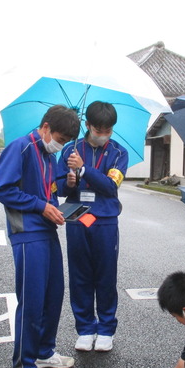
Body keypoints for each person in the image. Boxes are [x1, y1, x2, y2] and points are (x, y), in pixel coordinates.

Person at [0, 105, 81, 368]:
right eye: (59, 137)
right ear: (44, 127)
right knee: (31, 298)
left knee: (53, 293)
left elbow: (51, 188)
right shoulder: (20, 148)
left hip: (46, 231)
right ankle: (23, 366)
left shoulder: (48, 154)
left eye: (66, 141)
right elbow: (2, 189)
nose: (60, 144)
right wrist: (41, 206)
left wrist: (67, 182)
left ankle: (43, 352)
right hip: (26, 233)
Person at [56, 101, 128, 352]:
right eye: (98, 129)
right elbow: (58, 189)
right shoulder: (70, 150)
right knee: (79, 276)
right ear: (87, 125)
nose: (103, 134)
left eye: (108, 130)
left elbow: (110, 187)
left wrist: (84, 170)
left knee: (106, 275)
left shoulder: (119, 153)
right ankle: (85, 328)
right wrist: (70, 180)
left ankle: (106, 329)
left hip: (105, 220)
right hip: (78, 218)